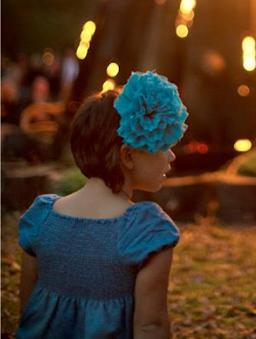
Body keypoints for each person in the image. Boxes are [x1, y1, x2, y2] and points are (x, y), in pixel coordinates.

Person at [17, 70, 188, 339]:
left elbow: (28, 310)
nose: (172, 155)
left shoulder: (40, 219)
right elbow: (150, 326)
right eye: (163, 144)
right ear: (128, 156)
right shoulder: (146, 232)